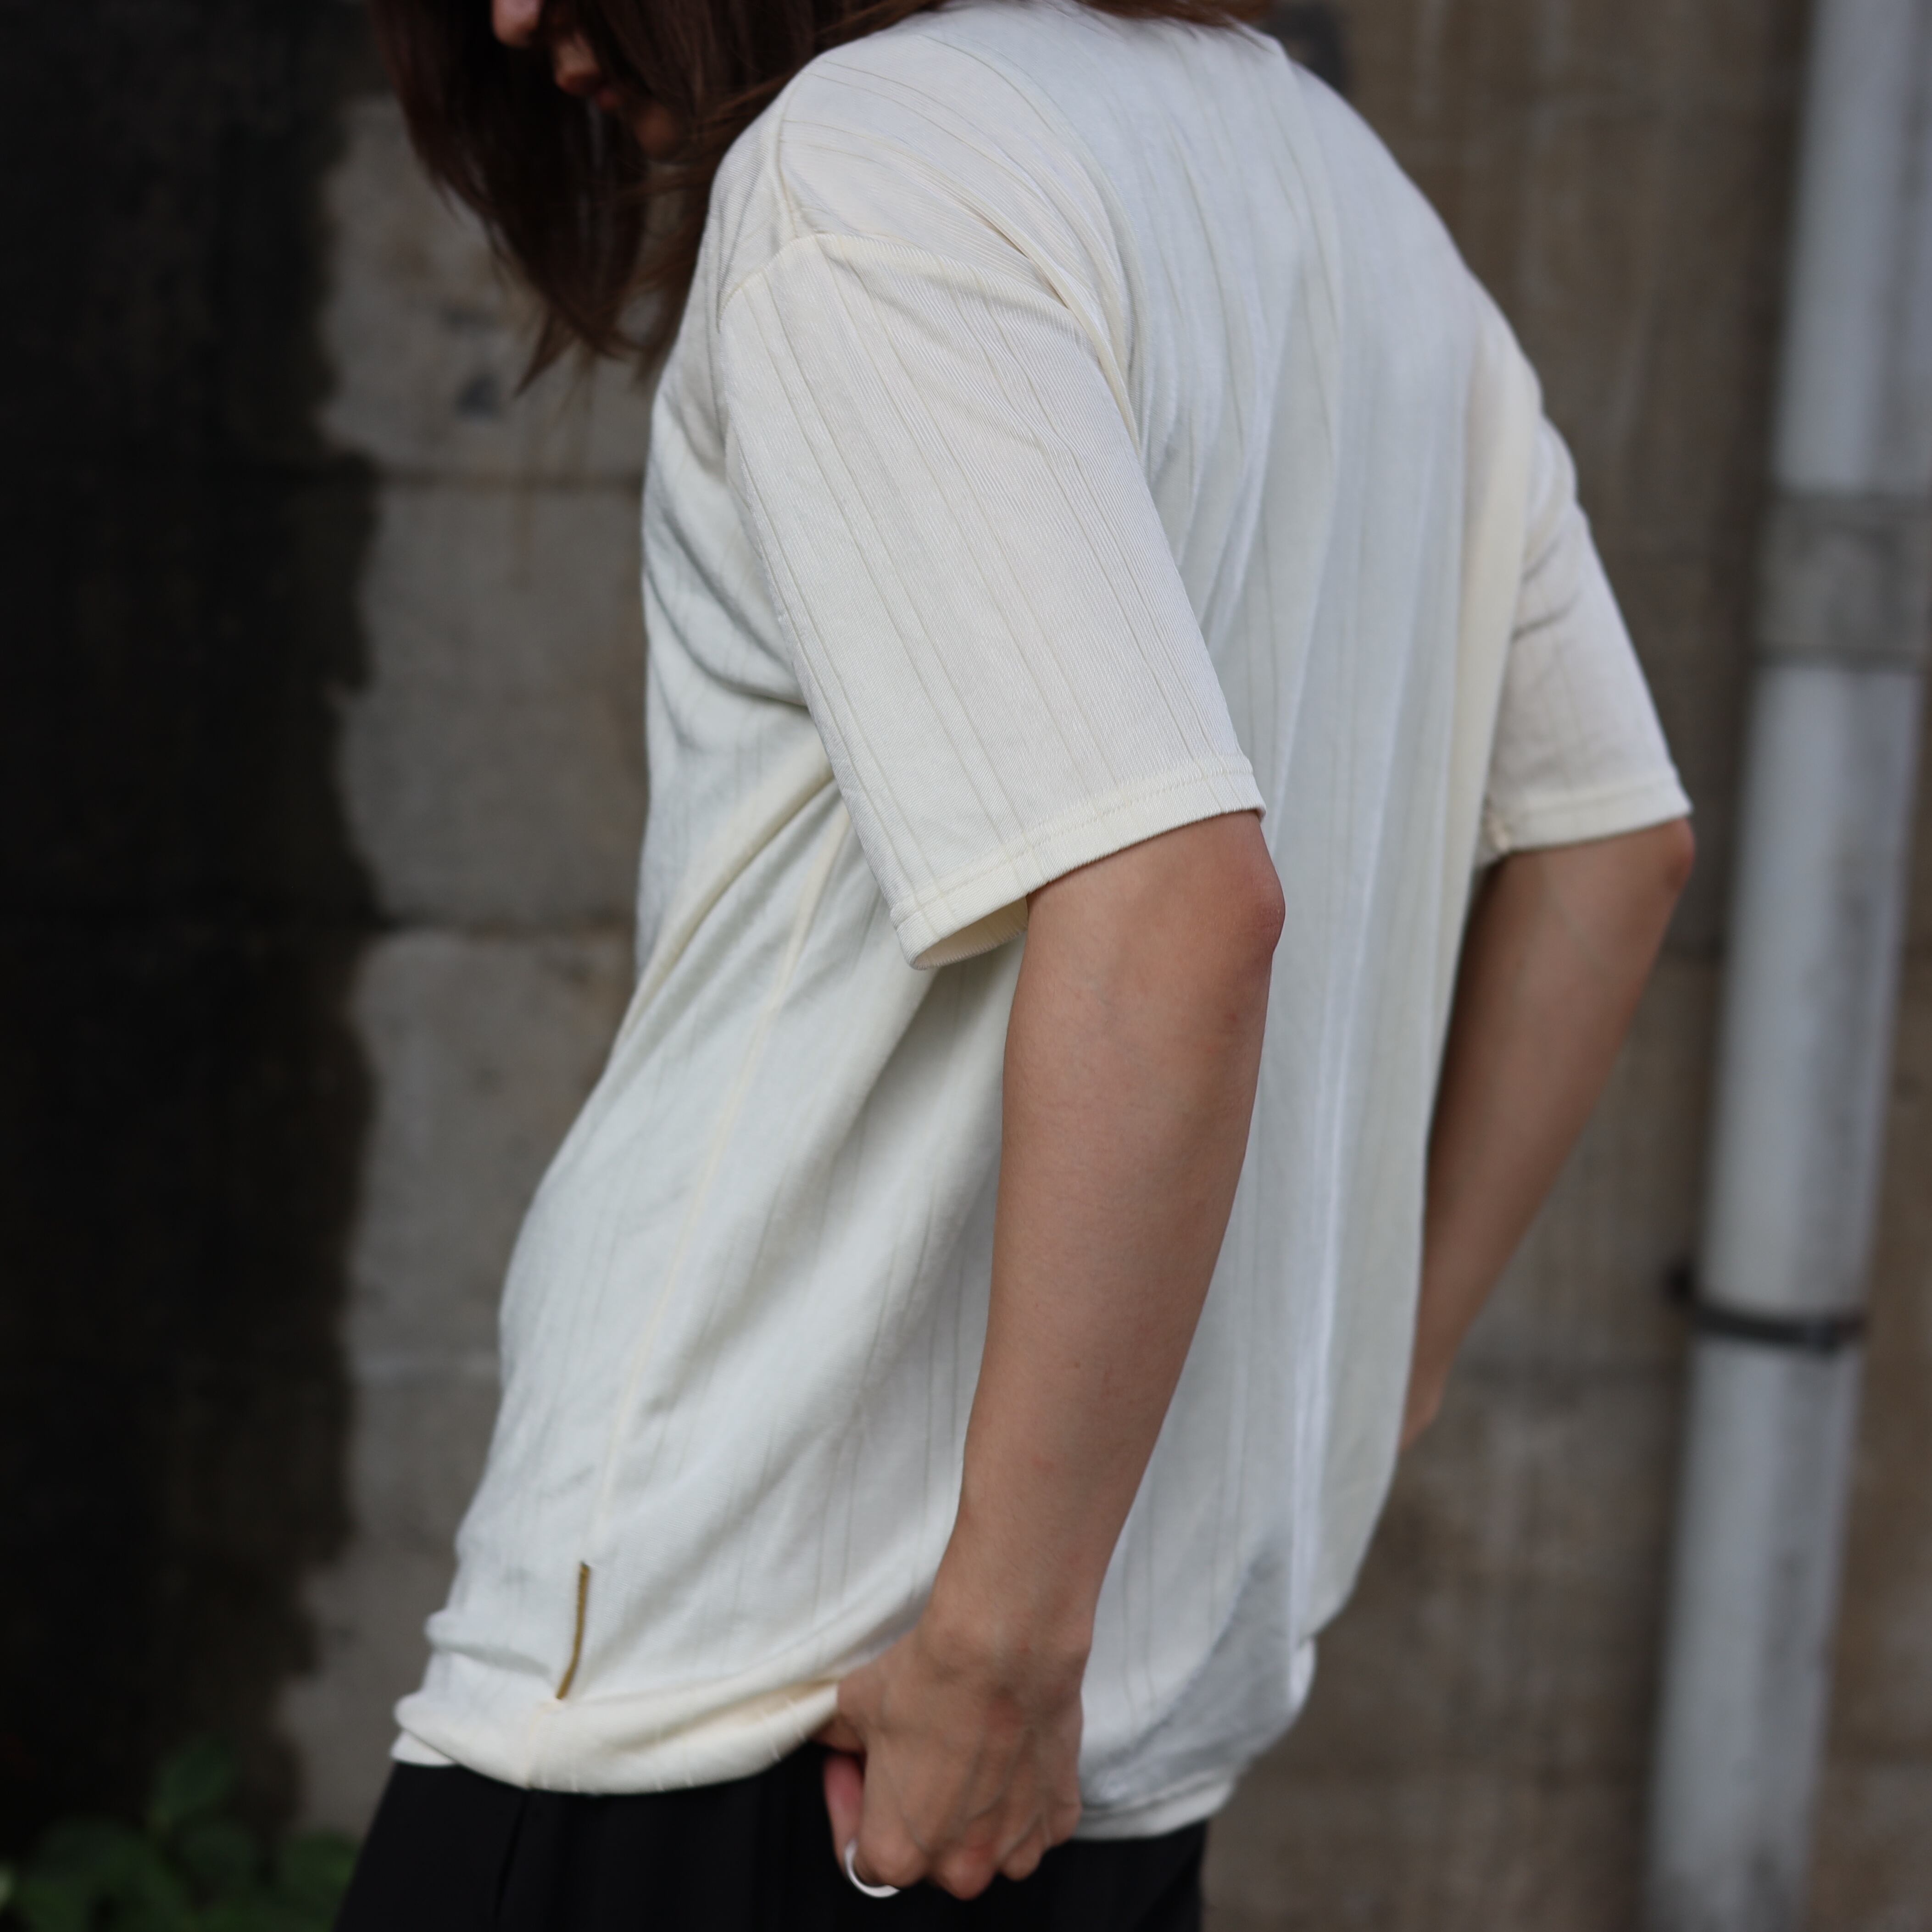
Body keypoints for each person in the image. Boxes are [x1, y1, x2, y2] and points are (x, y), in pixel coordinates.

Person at [336, 0, 1695, 1924]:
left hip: (754, 1684)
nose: (506, 15)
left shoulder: (869, 166)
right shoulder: (1354, 205)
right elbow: (1611, 849)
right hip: (1093, 1749)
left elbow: (1174, 904)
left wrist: (1002, 1637)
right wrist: (1373, 1375)